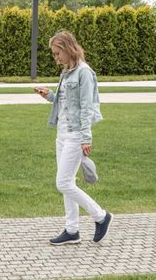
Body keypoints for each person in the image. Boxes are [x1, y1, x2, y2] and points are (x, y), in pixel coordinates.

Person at [34, 30, 113, 245]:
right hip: (62, 134)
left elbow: (87, 107)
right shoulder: (67, 72)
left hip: (76, 136)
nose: (56, 57)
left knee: (63, 183)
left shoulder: (84, 73)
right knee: (68, 182)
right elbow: (65, 102)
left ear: (68, 49)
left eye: (57, 52)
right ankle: (72, 230)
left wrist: (86, 138)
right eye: (54, 53)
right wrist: (48, 95)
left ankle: (101, 216)